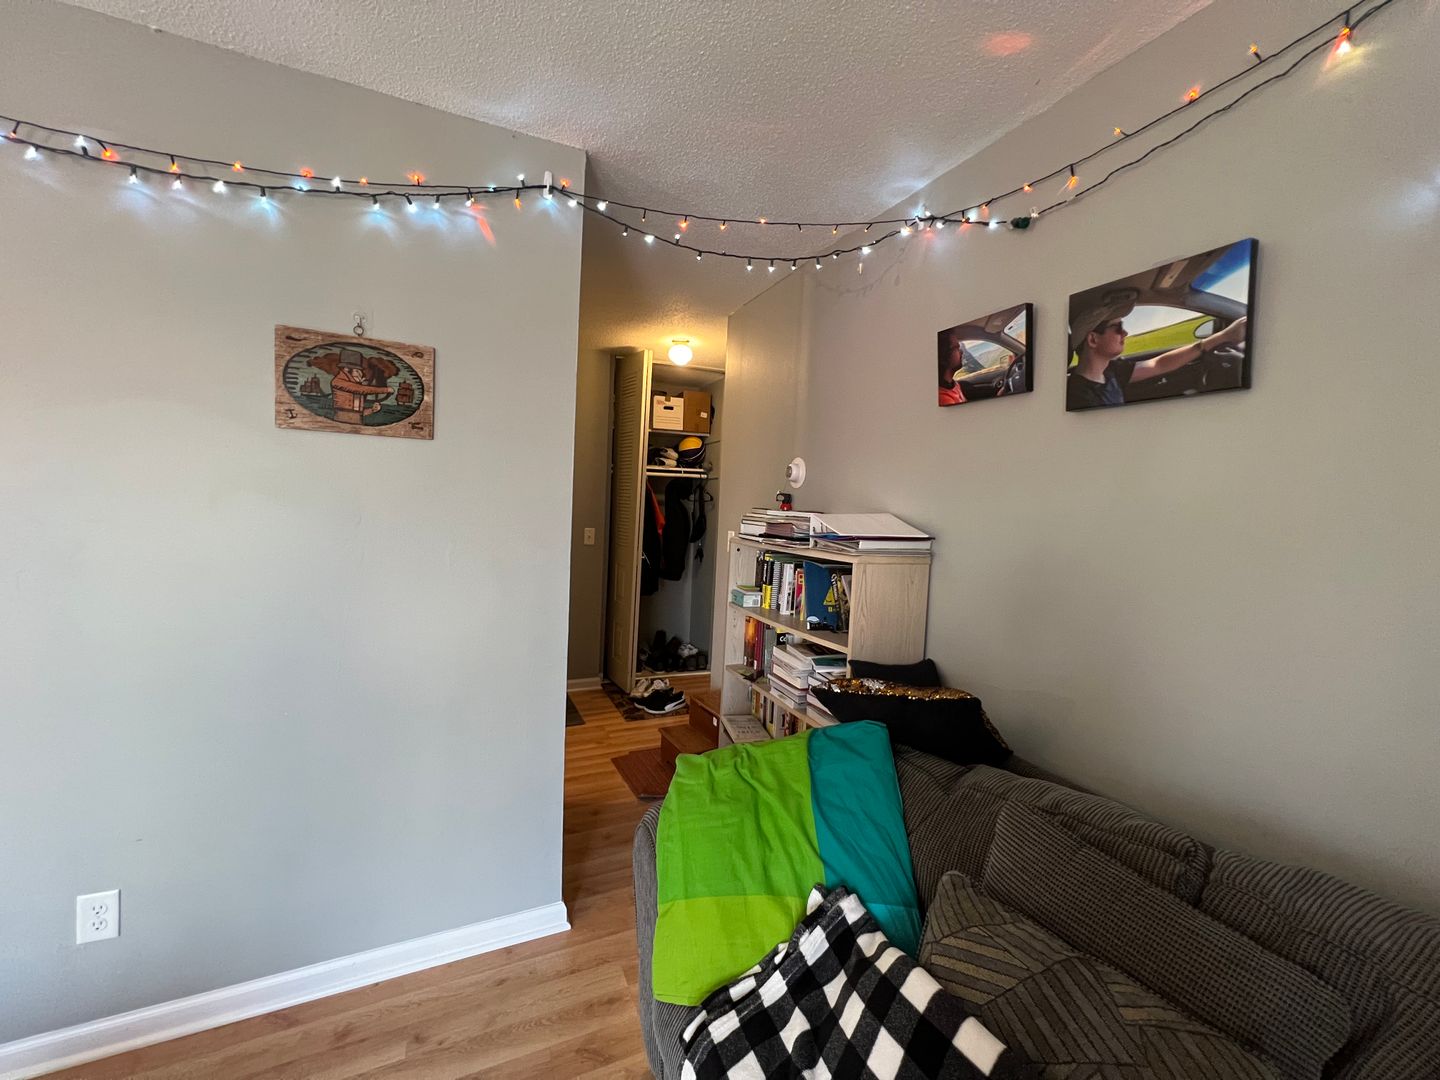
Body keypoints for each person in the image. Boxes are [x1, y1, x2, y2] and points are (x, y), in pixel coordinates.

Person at [1067, 301, 1248, 410]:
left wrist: (1223, 337)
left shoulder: (1111, 370)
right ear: (1093, 339)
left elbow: (1158, 364)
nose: (1125, 333)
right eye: (1118, 328)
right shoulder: (1078, 396)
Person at [938, 330, 972, 406]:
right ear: (943, 356)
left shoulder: (953, 384)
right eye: (956, 347)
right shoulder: (944, 399)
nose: (961, 351)